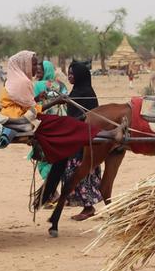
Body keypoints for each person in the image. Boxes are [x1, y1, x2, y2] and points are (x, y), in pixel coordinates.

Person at [62, 62, 103, 221]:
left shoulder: (85, 92)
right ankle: (85, 205)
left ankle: (88, 207)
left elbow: (88, 116)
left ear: (79, 75)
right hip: (76, 136)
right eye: (68, 73)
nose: (69, 76)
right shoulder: (77, 90)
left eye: (72, 73)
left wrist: (69, 123)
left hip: (83, 139)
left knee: (82, 171)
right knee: (75, 171)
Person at [33, 60, 68, 181]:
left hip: (45, 124)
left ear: (45, 72)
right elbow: (67, 103)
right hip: (62, 124)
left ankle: (52, 190)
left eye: (39, 72)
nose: (37, 74)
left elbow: (32, 104)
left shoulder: (37, 85)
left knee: (43, 158)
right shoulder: (62, 85)